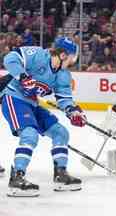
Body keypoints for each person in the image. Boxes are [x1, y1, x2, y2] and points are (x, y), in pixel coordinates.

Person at [2, 36, 86, 197]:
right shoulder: (38, 55)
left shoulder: (63, 75)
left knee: (61, 132)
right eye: (71, 58)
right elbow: (10, 58)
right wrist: (23, 76)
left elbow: (64, 98)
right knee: (30, 134)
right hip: (14, 98)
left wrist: (72, 111)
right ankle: (17, 177)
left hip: (33, 104)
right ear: (63, 55)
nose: (72, 62)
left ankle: (60, 174)